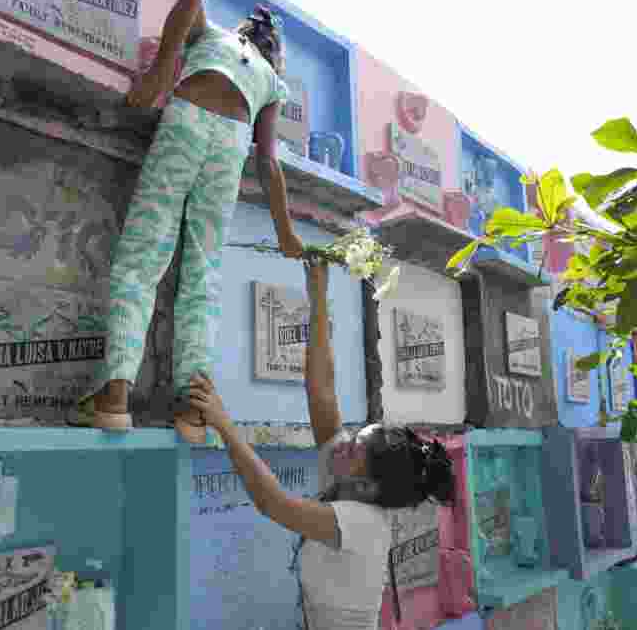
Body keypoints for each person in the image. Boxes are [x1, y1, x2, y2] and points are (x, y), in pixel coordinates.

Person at [75, 0, 304, 436]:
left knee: (142, 257)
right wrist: (285, 233)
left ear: (243, 32)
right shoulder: (271, 81)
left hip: (187, 122)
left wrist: (162, 71)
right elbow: (268, 163)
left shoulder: (215, 36)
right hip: (231, 148)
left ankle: (115, 394)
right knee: (204, 274)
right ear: (273, 54)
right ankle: (193, 410)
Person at [182, 262, 456, 630]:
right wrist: (318, 298)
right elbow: (322, 392)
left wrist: (224, 424)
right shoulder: (349, 479)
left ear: (367, 487)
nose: (342, 445)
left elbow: (273, 504)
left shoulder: (362, 521)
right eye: (355, 438)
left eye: (353, 450)